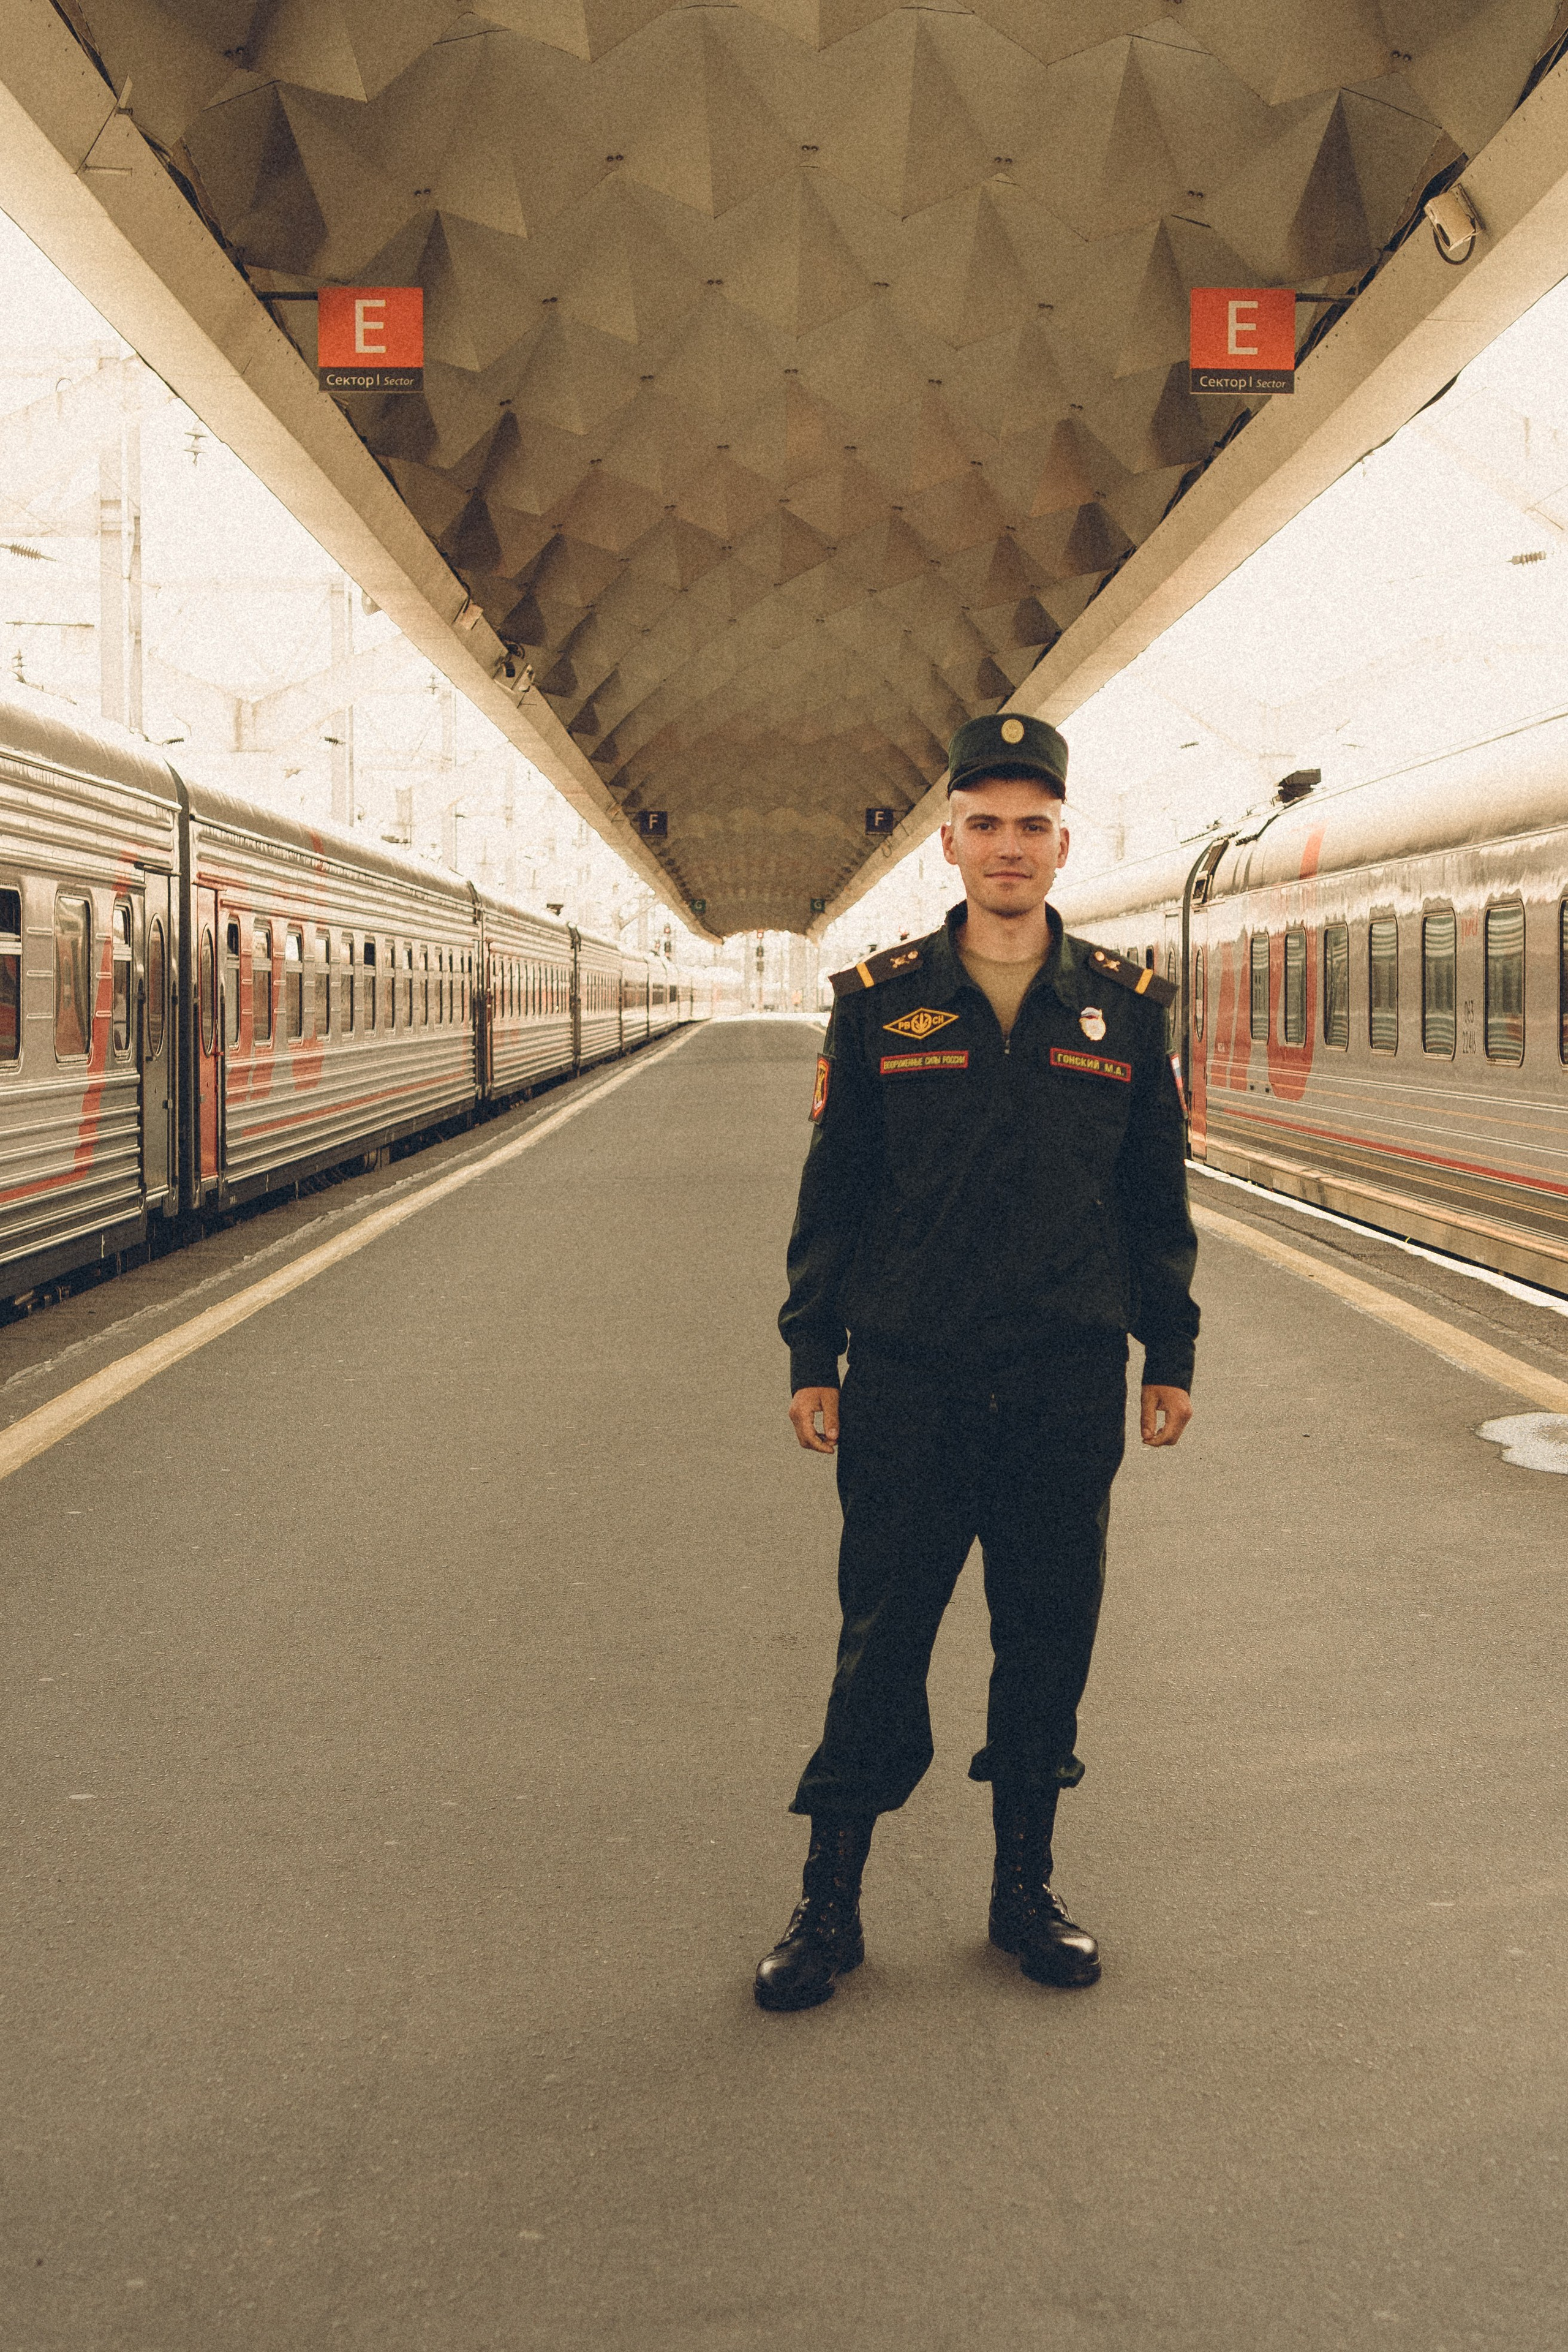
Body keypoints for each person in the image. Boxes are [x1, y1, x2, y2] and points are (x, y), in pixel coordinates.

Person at [756, 710, 1198, 2013]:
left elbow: (1151, 1198)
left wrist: (1165, 1348)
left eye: (1032, 826)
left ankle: (1023, 1893)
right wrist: (810, 1351)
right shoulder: (879, 1006)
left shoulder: (1121, 1011)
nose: (1008, 848)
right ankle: (827, 1904)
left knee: (1045, 1636)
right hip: (907, 1375)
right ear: (948, 841)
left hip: (1063, 1382)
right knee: (880, 1640)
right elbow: (830, 1196)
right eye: (985, 824)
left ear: (1063, 845)